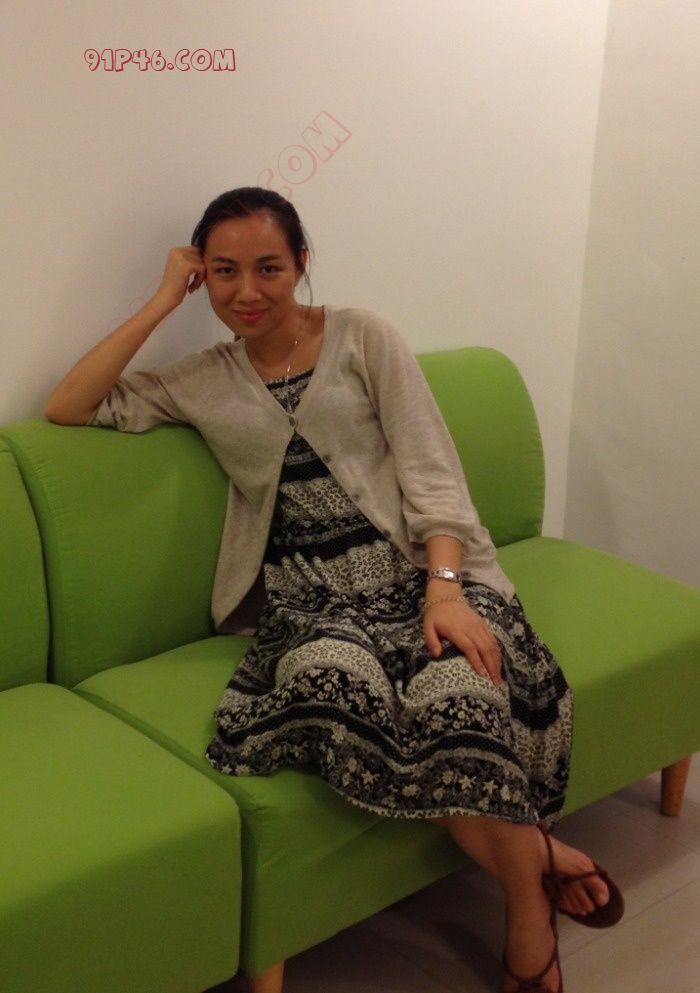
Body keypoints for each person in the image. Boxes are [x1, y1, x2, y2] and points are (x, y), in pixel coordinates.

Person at [45, 187, 623, 993]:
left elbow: (433, 474)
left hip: (422, 572)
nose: (247, 291)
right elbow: (68, 406)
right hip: (313, 602)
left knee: (461, 697)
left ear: (302, 264)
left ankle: (527, 916)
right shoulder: (201, 378)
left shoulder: (363, 337)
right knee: (333, 687)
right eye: (224, 272)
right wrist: (161, 300)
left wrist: (445, 590)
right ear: (202, 276)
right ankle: (541, 858)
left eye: (269, 267)